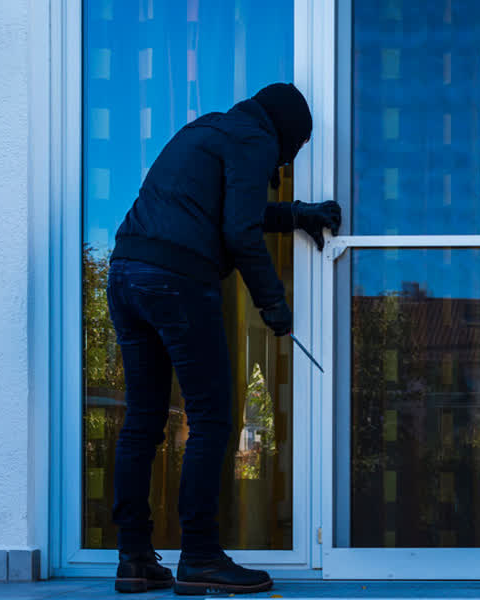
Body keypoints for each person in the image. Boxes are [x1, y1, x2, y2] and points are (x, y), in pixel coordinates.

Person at [105, 83, 340, 595]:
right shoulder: (256, 139)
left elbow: (232, 210)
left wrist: (298, 214)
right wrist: (274, 305)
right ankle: (201, 556)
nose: (287, 160)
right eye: (296, 148)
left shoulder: (209, 129)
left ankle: (134, 558)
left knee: (142, 422)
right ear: (287, 132)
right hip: (176, 279)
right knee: (211, 418)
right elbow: (240, 231)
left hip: (126, 273)